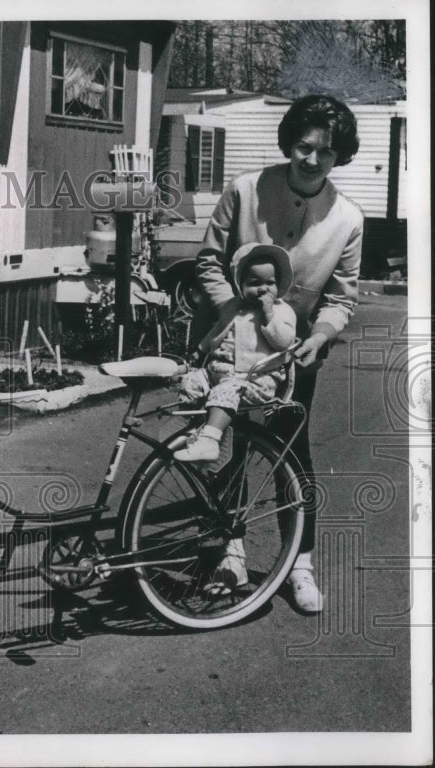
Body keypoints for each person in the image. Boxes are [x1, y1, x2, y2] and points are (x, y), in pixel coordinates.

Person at [193, 94, 363, 613]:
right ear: (290, 142)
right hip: (230, 342)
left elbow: (342, 295)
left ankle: (300, 564)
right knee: (230, 449)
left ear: (340, 156)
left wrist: (321, 335)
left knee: (292, 450)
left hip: (292, 351)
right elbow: (208, 261)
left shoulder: (348, 218)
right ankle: (230, 552)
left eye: (325, 151)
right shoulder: (245, 190)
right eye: (303, 146)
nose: (311, 159)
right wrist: (235, 313)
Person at [176, 242, 297, 463]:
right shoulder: (234, 307)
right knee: (191, 382)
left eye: (270, 283)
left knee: (227, 390)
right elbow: (218, 331)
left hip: (256, 379)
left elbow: (284, 342)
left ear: (279, 285)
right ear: (240, 284)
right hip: (220, 371)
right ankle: (188, 431)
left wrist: (268, 314)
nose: (263, 289)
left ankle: (209, 441)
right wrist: (200, 349)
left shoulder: (281, 311)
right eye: (254, 283)